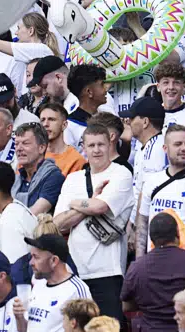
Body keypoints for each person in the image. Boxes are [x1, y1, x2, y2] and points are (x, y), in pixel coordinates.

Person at [53, 123, 134, 321]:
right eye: (91, 145)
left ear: (110, 145)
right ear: (84, 148)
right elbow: (57, 224)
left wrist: (74, 204)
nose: (96, 150)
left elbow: (100, 208)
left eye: (101, 145)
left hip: (108, 271)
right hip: (74, 271)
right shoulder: (73, 179)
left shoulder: (121, 173)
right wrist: (88, 204)